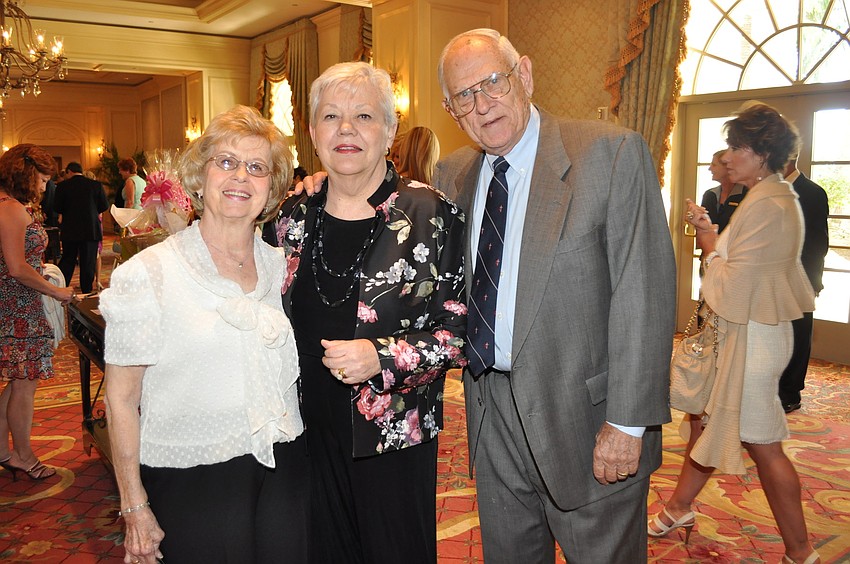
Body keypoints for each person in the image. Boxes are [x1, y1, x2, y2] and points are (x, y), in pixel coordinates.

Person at [433, 29, 676, 563]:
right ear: (453, 111)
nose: (483, 104)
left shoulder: (609, 155)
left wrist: (627, 423)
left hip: (588, 427)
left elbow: (645, 296)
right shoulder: (452, 175)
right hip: (491, 419)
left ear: (524, 74)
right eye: (464, 97)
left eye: (492, 82)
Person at [263, 61, 466, 564]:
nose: (346, 129)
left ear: (390, 131)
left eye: (364, 116)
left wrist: (384, 357)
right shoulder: (290, 217)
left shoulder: (430, 215)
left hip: (392, 434)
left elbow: (462, 330)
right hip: (302, 430)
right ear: (312, 133)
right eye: (331, 117)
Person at [100, 105, 307, 563]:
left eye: (257, 168)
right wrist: (133, 504)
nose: (241, 178)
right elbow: (120, 399)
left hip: (285, 466)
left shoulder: (280, 266)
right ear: (200, 174)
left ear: (272, 188)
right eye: (227, 162)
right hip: (194, 475)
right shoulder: (150, 273)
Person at [653, 102, 820, 564]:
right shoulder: (765, 197)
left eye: (737, 147)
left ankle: (801, 550)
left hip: (755, 338)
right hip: (747, 331)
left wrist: (711, 251)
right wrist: (712, 235)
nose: (728, 156)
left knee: (764, 444)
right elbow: (738, 262)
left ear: (761, 154)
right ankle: (679, 508)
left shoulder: (771, 203)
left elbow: (734, 281)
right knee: (704, 420)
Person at [0, 144, 76, 481]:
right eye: (43, 180)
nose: (45, 188)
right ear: (27, 174)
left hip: (13, 303)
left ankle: (3, 450)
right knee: (24, 386)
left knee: (16, 383)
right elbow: (16, 267)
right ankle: (25, 456)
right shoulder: (11, 209)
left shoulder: (6, 205)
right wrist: (56, 290)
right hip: (19, 307)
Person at [778, 154, 829, 414]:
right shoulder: (769, 189)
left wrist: (811, 283)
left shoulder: (812, 193)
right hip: (773, 278)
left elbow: (818, 243)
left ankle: (790, 393)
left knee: (798, 336)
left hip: (801, 277)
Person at [54, 162, 108, 294]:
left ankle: (62, 287)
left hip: (70, 229)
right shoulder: (95, 185)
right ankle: (87, 291)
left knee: (68, 259)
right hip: (91, 229)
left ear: (69, 172)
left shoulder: (62, 186)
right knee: (88, 262)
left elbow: (57, 207)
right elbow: (104, 206)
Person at [701, 149, 746, 233]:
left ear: (728, 167)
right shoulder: (709, 195)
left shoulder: (747, 195)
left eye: (714, 165)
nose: (709, 168)